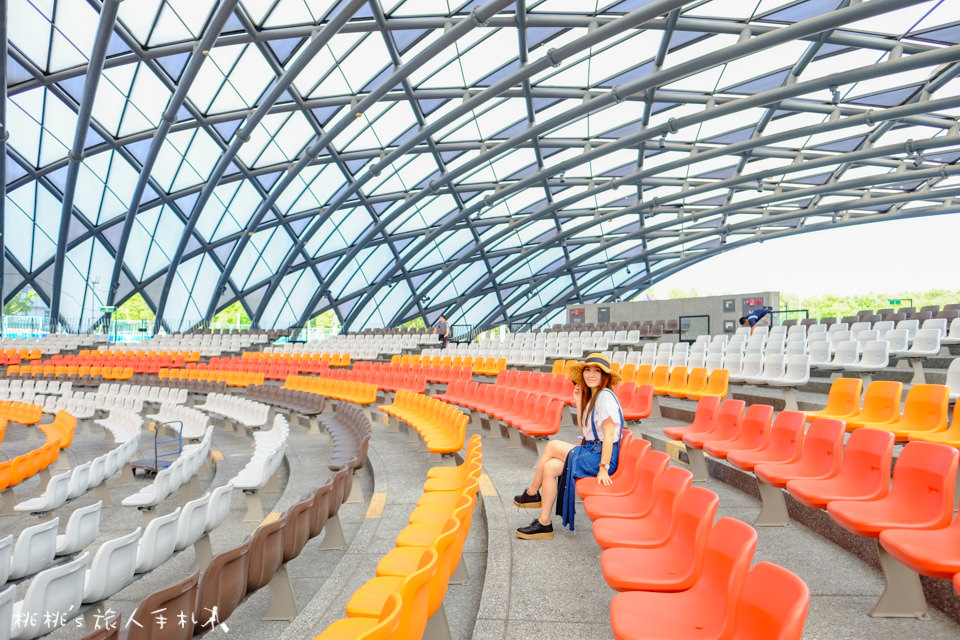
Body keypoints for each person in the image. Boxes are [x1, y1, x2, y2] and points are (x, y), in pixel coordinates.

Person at [514, 352, 624, 539]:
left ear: (605, 376)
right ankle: (544, 523)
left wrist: (604, 468)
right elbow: (586, 431)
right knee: (549, 468)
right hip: (591, 451)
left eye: (596, 371)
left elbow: (609, 435)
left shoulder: (605, 397)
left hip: (600, 457)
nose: (590, 375)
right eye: (587, 370)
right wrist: (579, 403)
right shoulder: (594, 397)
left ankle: (532, 493)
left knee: (552, 445)